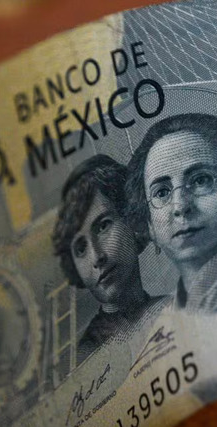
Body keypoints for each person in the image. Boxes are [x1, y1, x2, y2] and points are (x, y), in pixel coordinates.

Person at [126, 113, 217, 313]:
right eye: (161, 193)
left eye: (201, 180)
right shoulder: (165, 318)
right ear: (150, 226)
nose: (180, 207)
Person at [51, 154, 168, 362]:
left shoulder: (172, 309)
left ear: (131, 220)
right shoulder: (87, 356)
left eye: (103, 226)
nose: (97, 257)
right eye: (81, 249)